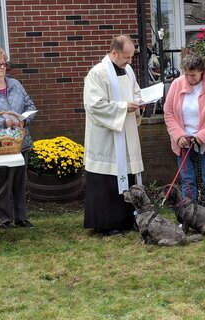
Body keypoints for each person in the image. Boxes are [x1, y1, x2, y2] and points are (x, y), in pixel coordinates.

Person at [83, 35, 144, 237]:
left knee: (128, 174)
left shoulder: (128, 70)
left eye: (131, 57)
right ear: (114, 52)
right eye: (126, 57)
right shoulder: (97, 73)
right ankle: (107, 223)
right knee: (107, 181)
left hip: (126, 132)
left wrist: (138, 103)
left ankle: (128, 218)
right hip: (107, 139)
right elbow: (94, 105)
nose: (129, 61)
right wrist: (123, 107)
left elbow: (135, 92)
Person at [164, 52, 205, 214]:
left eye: (193, 75)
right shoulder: (177, 84)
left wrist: (202, 137)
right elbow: (169, 113)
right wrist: (179, 136)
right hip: (183, 141)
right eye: (186, 74)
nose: (189, 79)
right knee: (187, 180)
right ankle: (190, 215)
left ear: (202, 71)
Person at [0, 47, 36, 229]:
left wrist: (24, 119)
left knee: (20, 182)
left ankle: (22, 217)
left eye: (4, 64)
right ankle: (4, 219)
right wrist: (3, 122)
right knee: (3, 182)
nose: (2, 67)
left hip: (21, 142)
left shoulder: (16, 85)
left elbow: (30, 105)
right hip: (1, 145)